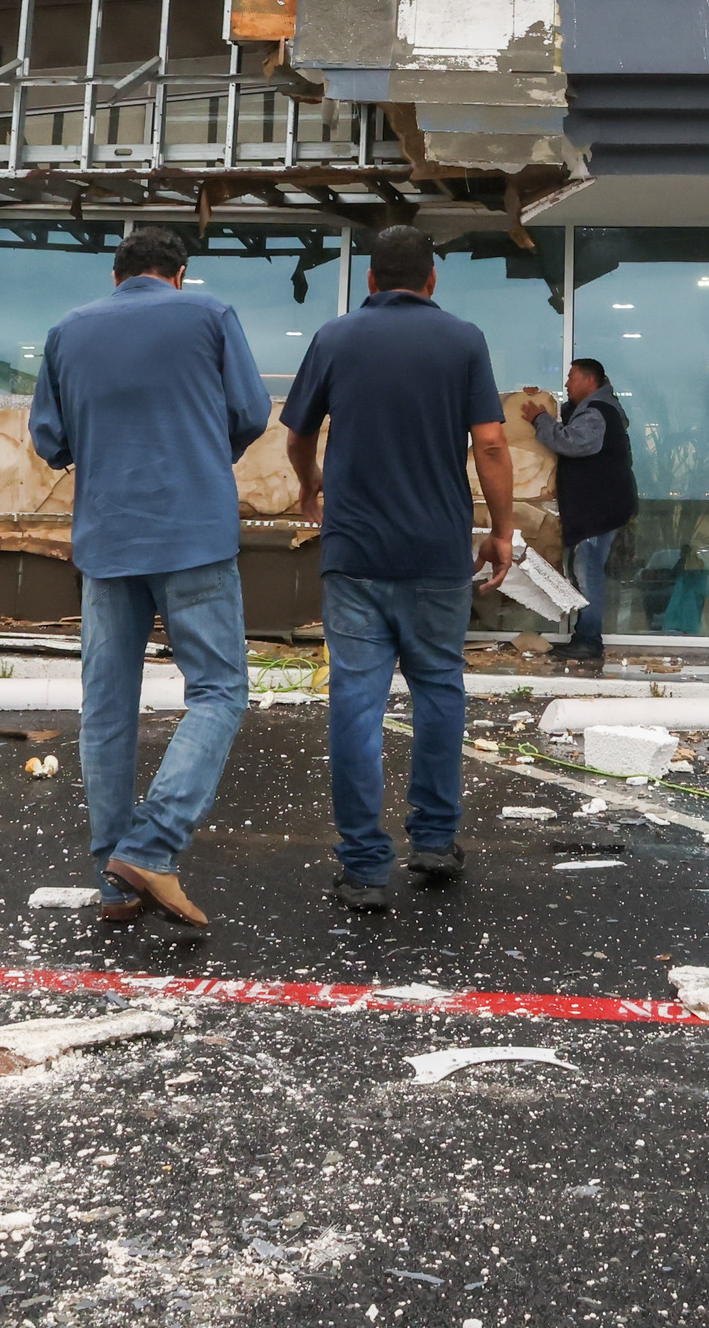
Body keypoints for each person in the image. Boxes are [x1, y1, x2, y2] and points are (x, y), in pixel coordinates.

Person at [26, 226, 271, 931]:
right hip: (194, 533)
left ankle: (116, 880)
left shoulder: (68, 331)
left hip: (106, 539)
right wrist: (202, 448)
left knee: (107, 707)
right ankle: (152, 844)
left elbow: (51, 439)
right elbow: (251, 413)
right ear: (179, 273)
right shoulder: (210, 316)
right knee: (220, 691)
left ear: (116, 276)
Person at [282, 224, 511, 911]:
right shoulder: (464, 340)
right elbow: (492, 443)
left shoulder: (336, 337)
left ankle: (363, 867)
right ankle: (436, 840)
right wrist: (502, 531)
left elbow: (297, 434)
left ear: (372, 280)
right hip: (437, 553)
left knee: (357, 700)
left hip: (355, 554)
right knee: (439, 688)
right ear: (432, 281)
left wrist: (311, 485)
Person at [537, 356, 637, 666]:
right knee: (584, 572)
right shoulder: (595, 411)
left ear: (589, 381)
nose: (566, 384)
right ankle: (584, 636)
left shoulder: (598, 413)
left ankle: (589, 641)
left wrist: (539, 420)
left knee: (588, 573)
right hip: (598, 508)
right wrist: (543, 405)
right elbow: (571, 420)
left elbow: (573, 442)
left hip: (599, 511)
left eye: (571, 378)